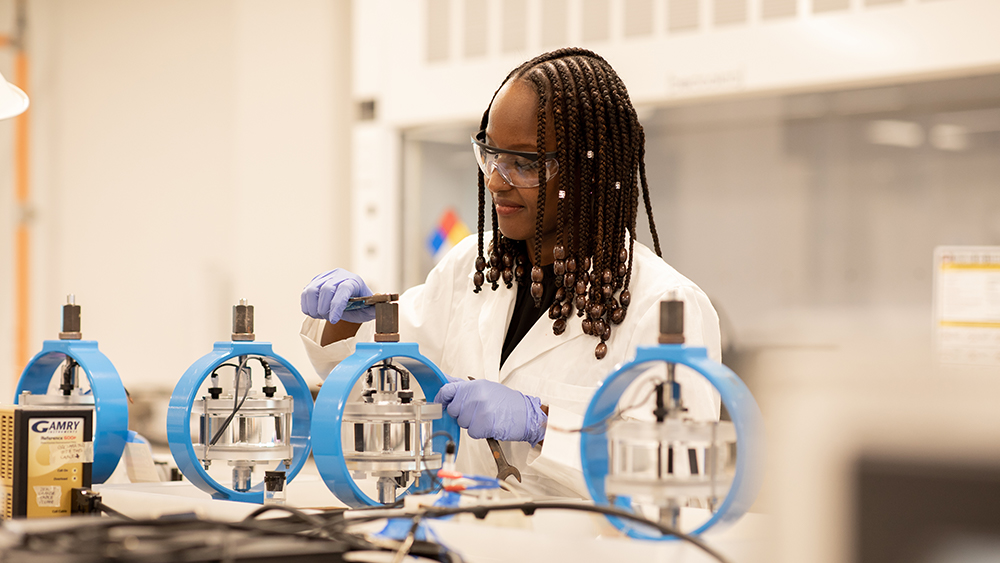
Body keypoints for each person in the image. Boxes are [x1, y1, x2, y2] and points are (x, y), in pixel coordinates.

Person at [300, 48, 721, 498]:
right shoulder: (473, 268)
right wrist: (346, 314)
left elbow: (678, 475)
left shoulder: (664, 305)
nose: (497, 180)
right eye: (491, 155)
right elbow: (374, 389)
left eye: (526, 164)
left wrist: (542, 423)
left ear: (589, 170)